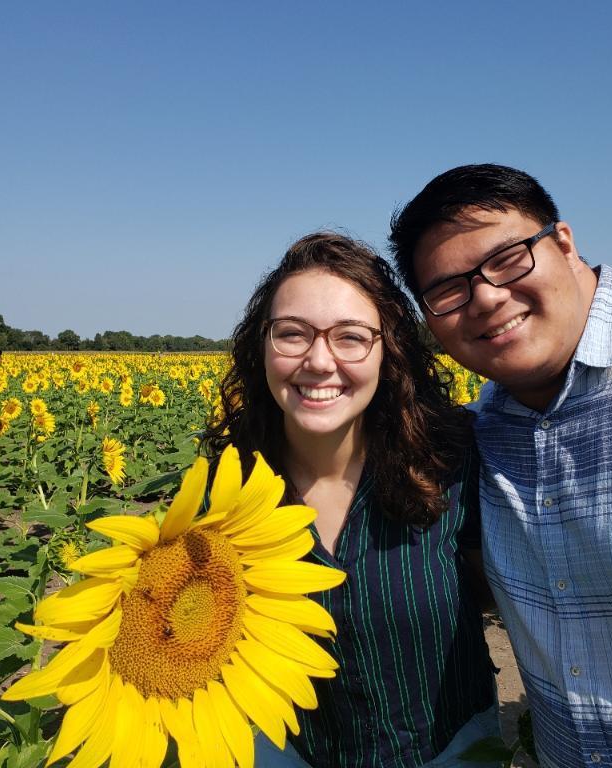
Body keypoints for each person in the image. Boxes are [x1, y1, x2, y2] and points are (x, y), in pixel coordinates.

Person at [388, 163, 612, 767]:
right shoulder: (477, 432)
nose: (488, 297)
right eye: (449, 289)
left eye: (507, 258)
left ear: (565, 244)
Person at [202, 232, 501, 767]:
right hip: (292, 752)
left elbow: (494, 592)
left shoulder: (454, 463)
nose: (318, 361)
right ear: (261, 345)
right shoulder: (225, 490)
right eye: (291, 333)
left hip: (450, 750)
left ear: (389, 351)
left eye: (351, 337)